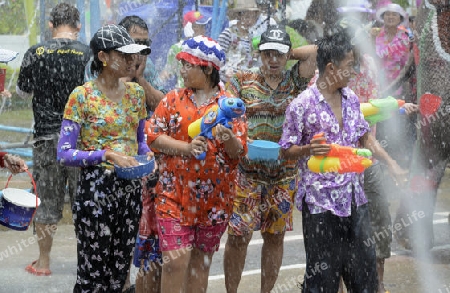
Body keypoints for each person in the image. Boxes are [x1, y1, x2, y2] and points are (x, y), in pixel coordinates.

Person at [278, 31, 407, 293]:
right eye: (350, 65)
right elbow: (285, 151)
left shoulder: (351, 100)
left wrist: (391, 163)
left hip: (354, 200)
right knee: (322, 278)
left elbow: (365, 138)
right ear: (331, 67)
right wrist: (307, 149)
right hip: (320, 204)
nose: (354, 71)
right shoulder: (301, 105)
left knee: (364, 277)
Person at [56, 24, 155, 292]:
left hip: (130, 191)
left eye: (133, 55)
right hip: (96, 193)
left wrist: (147, 156)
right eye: (123, 55)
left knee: (118, 273)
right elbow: (64, 154)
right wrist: (106, 155)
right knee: (91, 276)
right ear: (102, 57)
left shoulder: (136, 95)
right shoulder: (82, 97)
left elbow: (140, 141)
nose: (131, 60)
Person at [146, 35, 247, 293]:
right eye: (182, 64)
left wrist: (229, 139)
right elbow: (153, 137)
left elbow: (239, 153)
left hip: (215, 202)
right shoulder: (172, 99)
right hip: (174, 195)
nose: (182, 71)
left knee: (200, 265)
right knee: (175, 263)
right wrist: (186, 149)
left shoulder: (229, 105)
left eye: (187, 65)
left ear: (207, 69)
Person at [223, 26, 317, 293]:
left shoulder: (295, 80)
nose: (273, 60)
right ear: (258, 53)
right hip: (246, 174)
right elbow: (227, 114)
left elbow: (315, 52)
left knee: (274, 237)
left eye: (279, 54)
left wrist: (287, 53)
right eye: (267, 53)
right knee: (238, 237)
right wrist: (242, 139)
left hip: (283, 174)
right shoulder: (241, 79)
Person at [16, 3, 90, 276]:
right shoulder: (88, 54)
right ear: (78, 26)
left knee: (47, 202)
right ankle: (87, 263)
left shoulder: (36, 53)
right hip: (81, 140)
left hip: (47, 139)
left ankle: (44, 262)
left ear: (50, 25)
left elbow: (24, 93)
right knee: (84, 202)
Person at [159, 10, 212, 89]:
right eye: (199, 27)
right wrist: (156, 85)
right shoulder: (177, 49)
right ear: (189, 28)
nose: (203, 31)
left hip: (202, 94)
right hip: (183, 93)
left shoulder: (207, 47)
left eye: (203, 27)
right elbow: (167, 72)